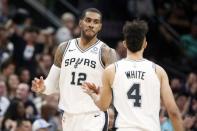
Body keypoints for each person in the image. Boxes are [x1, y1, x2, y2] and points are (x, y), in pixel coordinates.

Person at [82, 20, 184, 131]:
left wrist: (93, 95)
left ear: (125, 44)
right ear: (145, 43)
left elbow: (103, 106)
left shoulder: (111, 70)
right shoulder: (158, 71)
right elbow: (173, 112)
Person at [31, 8, 117, 131]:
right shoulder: (63, 48)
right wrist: (42, 87)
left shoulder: (107, 52)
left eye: (95, 22)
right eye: (88, 20)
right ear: (80, 23)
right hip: (68, 116)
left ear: (100, 26)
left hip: (93, 116)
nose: (91, 25)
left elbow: (113, 87)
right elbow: (51, 85)